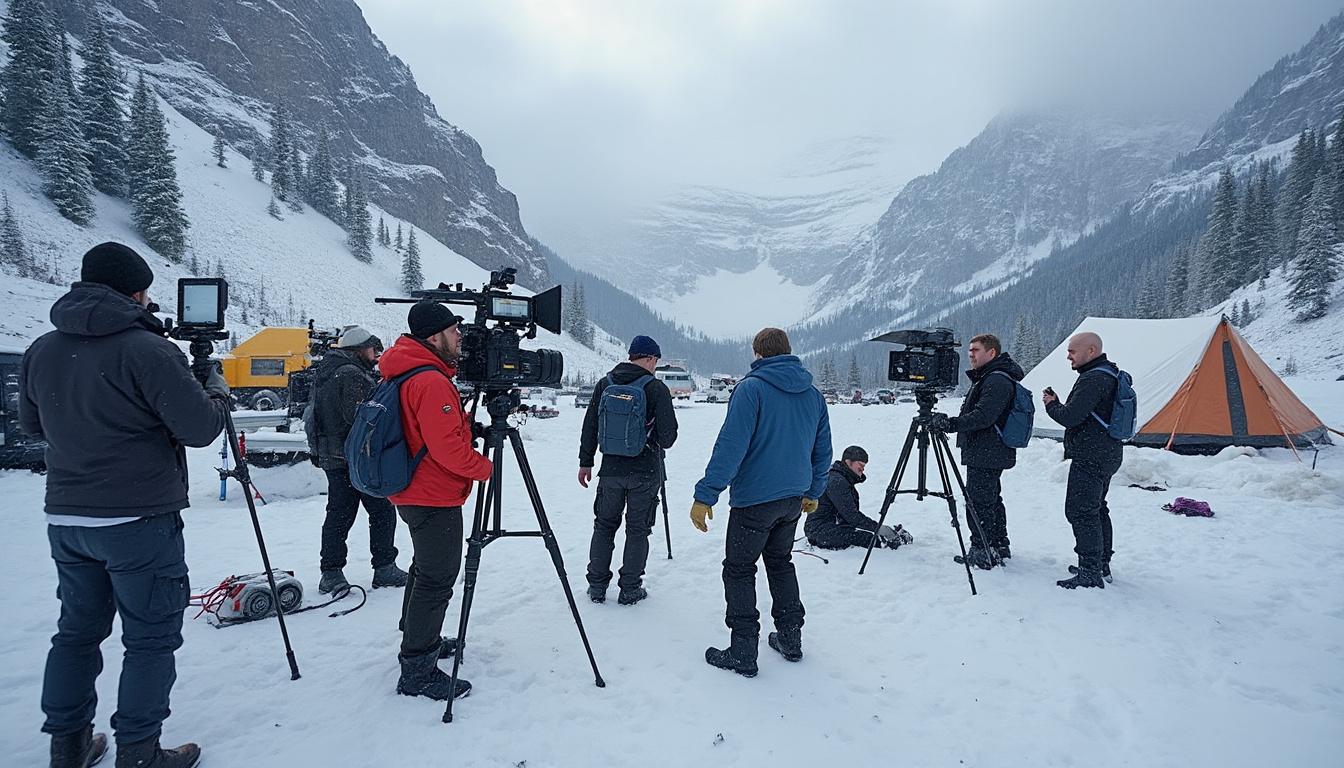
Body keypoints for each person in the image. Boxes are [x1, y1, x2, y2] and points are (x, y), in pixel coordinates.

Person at [20, 242, 229, 768]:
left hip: (67, 518)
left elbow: (31, 427)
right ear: (136, 292)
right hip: (138, 519)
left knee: (76, 632)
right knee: (150, 638)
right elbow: (201, 429)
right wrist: (216, 392)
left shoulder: (43, 348)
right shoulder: (146, 349)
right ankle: (138, 751)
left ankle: (68, 746)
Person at [691, 327, 831, 677]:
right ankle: (790, 638)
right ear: (787, 352)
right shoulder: (812, 394)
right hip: (792, 500)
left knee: (739, 570)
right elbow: (822, 450)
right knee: (780, 563)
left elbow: (731, 447)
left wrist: (706, 494)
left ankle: (743, 650)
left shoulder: (751, 389)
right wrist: (814, 491)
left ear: (758, 353)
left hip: (755, 500)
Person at [379, 302, 493, 700]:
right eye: (453, 330)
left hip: (415, 489)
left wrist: (466, 427)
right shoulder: (430, 380)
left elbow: (431, 432)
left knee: (424, 570)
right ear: (433, 337)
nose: (460, 336)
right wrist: (484, 468)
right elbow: (445, 449)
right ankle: (417, 668)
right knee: (437, 577)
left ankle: (418, 636)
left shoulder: (409, 369)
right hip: (432, 493)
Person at [577, 335, 678, 606]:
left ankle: (597, 585)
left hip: (610, 470)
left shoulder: (605, 383)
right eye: (655, 360)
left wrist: (585, 462)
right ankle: (630, 588)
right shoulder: (655, 388)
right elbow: (668, 437)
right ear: (649, 358)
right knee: (637, 530)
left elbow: (590, 426)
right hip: (645, 471)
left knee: (604, 525)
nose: (655, 366)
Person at [308, 326, 408, 594]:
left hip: (333, 454)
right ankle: (383, 567)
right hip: (353, 458)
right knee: (380, 511)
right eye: (371, 349)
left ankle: (331, 572)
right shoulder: (351, 375)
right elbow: (365, 418)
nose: (375, 355)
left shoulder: (328, 371)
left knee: (339, 514)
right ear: (358, 349)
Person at [928, 333, 1024, 569]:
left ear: (991, 353)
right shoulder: (992, 377)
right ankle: (998, 544)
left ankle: (982, 550)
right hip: (990, 450)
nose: (970, 355)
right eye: (969, 351)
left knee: (978, 502)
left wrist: (951, 424)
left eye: (976, 351)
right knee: (990, 499)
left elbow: (984, 416)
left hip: (987, 450)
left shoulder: (996, 380)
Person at [1042, 331, 1124, 589]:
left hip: (1091, 455)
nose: (1068, 356)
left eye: (1072, 351)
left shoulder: (1094, 378)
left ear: (1091, 351)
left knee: (1080, 511)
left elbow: (1071, 417)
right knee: (1097, 508)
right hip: (1107, 452)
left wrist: (1051, 404)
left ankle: (1090, 571)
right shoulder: (1110, 374)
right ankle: (1100, 563)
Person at [804, 445, 912, 551]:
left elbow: (849, 517)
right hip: (820, 533)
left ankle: (886, 535)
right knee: (859, 537)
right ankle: (885, 541)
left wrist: (877, 528)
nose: (862, 470)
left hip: (826, 528)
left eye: (864, 467)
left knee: (856, 533)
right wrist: (879, 529)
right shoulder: (837, 482)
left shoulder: (840, 478)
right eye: (860, 465)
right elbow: (852, 517)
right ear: (848, 462)